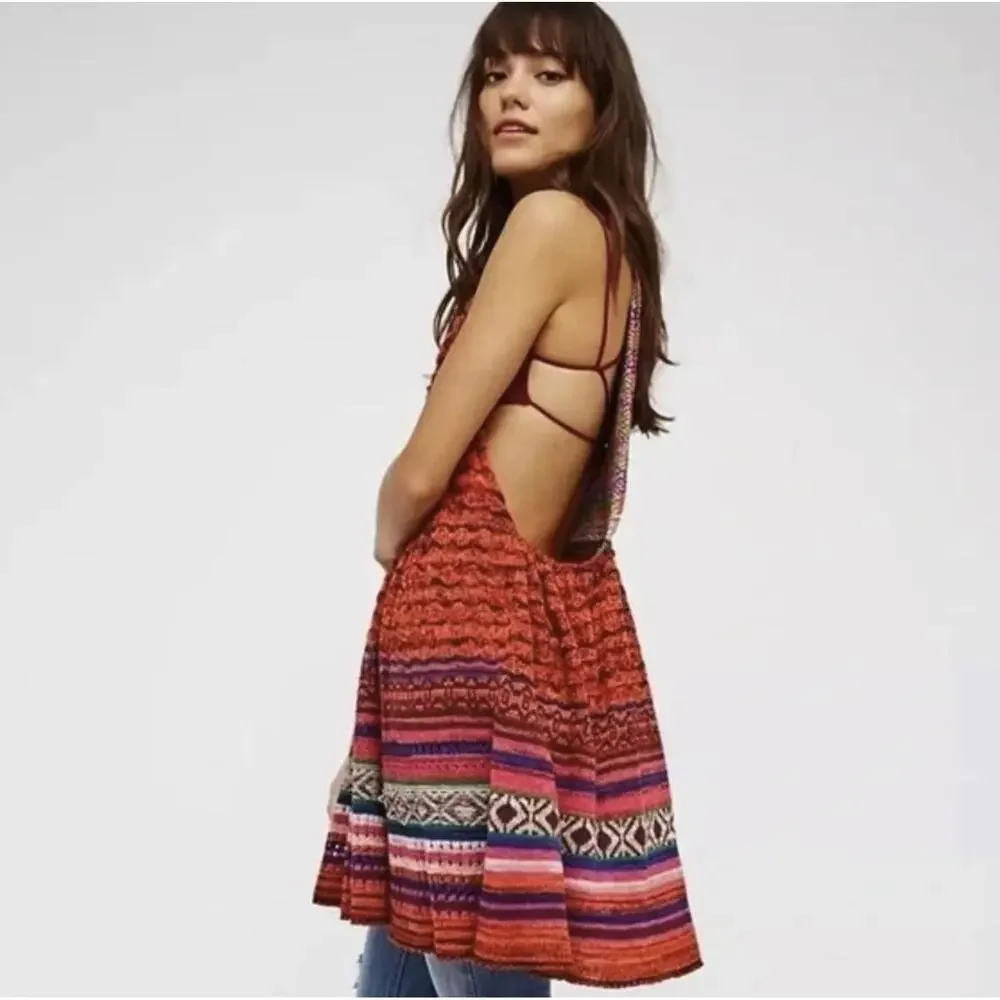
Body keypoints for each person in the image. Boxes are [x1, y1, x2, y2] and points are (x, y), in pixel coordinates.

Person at [312, 3, 702, 995]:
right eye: (494, 75)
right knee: (408, 971)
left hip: (460, 643)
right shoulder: (613, 241)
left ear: (602, 106)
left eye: (547, 75)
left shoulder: (549, 222)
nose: (510, 96)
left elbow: (422, 470)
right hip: (488, 646)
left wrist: (386, 528)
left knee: (474, 961)